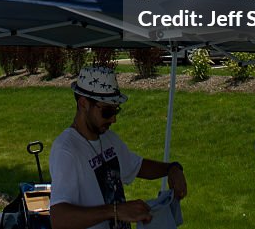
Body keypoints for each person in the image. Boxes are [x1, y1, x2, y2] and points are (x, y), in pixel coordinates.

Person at [48, 66, 188, 229]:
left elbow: (137, 166)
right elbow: (59, 218)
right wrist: (115, 211)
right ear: (83, 103)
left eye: (116, 110)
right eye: (107, 111)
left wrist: (172, 168)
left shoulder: (108, 138)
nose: (113, 119)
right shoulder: (67, 150)